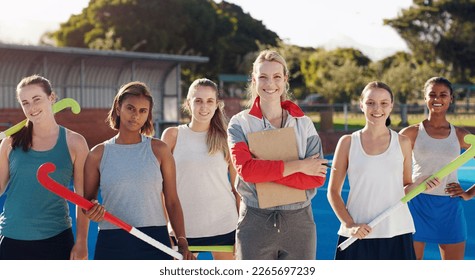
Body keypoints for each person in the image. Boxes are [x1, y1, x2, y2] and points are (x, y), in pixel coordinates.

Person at [227, 50, 328, 260]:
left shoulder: (304, 123)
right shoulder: (239, 123)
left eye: (276, 77)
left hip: (299, 223)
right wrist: (300, 165)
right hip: (255, 221)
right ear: (254, 80)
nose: (270, 83)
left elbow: (317, 177)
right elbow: (247, 171)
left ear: (285, 80)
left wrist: (264, 172)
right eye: (263, 77)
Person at [327, 81, 440, 260]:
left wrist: (420, 185)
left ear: (391, 106)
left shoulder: (402, 143)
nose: (377, 108)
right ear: (361, 105)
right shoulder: (347, 142)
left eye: (384, 103)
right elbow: (333, 192)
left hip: (397, 231)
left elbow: (404, 188)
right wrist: (350, 225)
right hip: (358, 233)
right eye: (370, 102)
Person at [83, 81, 194, 260]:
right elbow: (87, 202)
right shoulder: (97, 154)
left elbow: (172, 201)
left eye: (143, 111)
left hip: (155, 240)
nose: (136, 116)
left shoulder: (159, 150)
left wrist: (182, 242)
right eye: (130, 108)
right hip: (112, 240)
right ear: (118, 108)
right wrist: (91, 210)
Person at [0, 74, 89, 260]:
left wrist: (82, 242)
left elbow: (84, 199)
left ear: (52, 98)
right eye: (25, 103)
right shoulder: (9, 143)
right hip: (11, 239)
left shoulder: (75, 142)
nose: (31, 108)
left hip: (56, 240)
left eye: (36, 99)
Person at [161, 78, 239, 260]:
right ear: (188, 103)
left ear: (217, 104)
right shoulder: (172, 135)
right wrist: (164, 228)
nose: (204, 107)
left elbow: (238, 190)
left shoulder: (227, 138)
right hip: (183, 233)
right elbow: (161, 189)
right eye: (198, 101)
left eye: (209, 101)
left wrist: (241, 231)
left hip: (225, 226)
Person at [399, 76, 475, 260]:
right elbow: (392, 170)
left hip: (449, 208)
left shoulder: (460, 135)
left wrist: (469, 193)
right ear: (425, 98)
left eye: (443, 94)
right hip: (416, 205)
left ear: (451, 99)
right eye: (432, 94)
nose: (437, 99)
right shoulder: (410, 133)